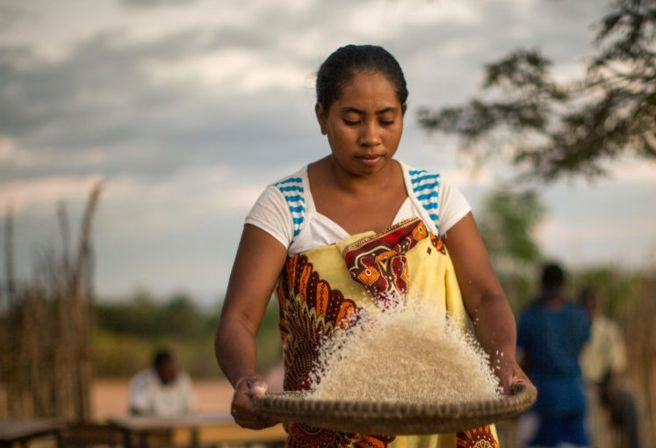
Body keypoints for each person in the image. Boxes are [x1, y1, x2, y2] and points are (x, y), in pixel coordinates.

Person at [214, 44, 531, 447]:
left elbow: (486, 297)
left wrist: (503, 360)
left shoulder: (433, 198)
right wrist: (245, 379)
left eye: (387, 120)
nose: (371, 138)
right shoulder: (286, 205)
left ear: (403, 114)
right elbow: (239, 319)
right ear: (321, 117)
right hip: (331, 429)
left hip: (442, 425)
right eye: (352, 120)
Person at [517, 263, 591, 448]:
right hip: (574, 394)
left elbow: (526, 359)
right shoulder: (579, 315)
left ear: (541, 285)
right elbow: (582, 347)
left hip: (542, 398)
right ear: (563, 285)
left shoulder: (530, 316)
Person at [579, 288, 640, 448]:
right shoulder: (572, 329)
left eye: (592, 306)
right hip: (578, 386)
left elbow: (616, 363)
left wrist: (610, 386)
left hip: (604, 385)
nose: (589, 310)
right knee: (588, 402)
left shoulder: (609, 330)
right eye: (585, 306)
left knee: (630, 400)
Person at [129, 349, 196, 417]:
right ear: (158, 368)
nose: (173, 372)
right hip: (151, 426)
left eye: (174, 368)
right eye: (168, 369)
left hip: (178, 425)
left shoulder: (183, 380)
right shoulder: (144, 380)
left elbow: (191, 409)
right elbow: (136, 409)